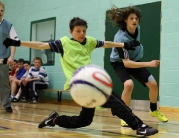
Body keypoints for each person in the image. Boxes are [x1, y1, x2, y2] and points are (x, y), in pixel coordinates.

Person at [3, 17, 158, 137]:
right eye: (78, 31)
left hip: (89, 83)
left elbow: (106, 43)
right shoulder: (63, 43)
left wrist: (124, 45)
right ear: (71, 31)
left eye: (84, 30)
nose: (82, 33)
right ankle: (140, 127)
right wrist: (18, 42)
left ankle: (56, 119)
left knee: (85, 120)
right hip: (79, 84)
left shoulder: (89, 42)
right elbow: (40, 45)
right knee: (114, 99)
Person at [107, 6, 168, 127]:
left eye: (136, 18)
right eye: (131, 18)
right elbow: (127, 64)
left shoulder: (137, 28)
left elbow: (131, 60)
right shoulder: (120, 38)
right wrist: (149, 63)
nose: (134, 21)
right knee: (128, 85)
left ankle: (153, 109)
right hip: (120, 63)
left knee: (153, 85)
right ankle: (125, 115)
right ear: (126, 20)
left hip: (134, 59)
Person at [0, 1, 19, 113]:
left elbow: (15, 41)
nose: (0, 12)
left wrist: (12, 56)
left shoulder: (8, 25)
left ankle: (6, 104)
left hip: (3, 60)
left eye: (1, 10)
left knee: (4, 83)